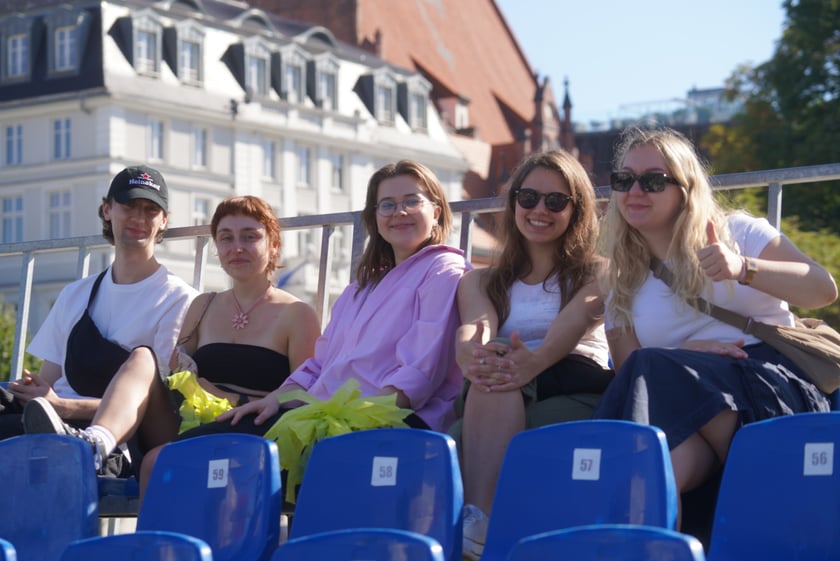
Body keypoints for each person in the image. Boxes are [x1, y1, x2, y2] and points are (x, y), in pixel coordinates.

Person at [139, 160, 470, 486]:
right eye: (387, 204)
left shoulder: (443, 270)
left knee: (170, 464)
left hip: (379, 424)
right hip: (317, 419)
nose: (399, 212)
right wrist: (275, 400)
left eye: (412, 201)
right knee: (167, 461)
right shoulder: (360, 288)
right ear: (375, 216)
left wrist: (358, 420)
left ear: (436, 211)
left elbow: (419, 372)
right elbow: (318, 366)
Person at [593, 126, 838, 531]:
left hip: (769, 385)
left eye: (653, 180)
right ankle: (656, 547)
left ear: (685, 188)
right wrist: (686, 356)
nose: (634, 191)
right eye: (624, 179)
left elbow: (822, 289)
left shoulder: (736, 232)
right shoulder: (621, 279)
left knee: (652, 371)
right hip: (685, 410)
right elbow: (628, 372)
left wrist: (743, 268)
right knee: (651, 469)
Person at [21, 195, 320, 478]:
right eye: (226, 238)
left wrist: (233, 398)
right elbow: (177, 378)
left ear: (273, 246)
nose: (237, 247)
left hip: (255, 425)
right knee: (143, 356)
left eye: (250, 237)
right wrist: (189, 377)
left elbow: (306, 394)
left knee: (159, 461)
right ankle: (97, 443)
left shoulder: (297, 313)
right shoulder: (203, 305)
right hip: (191, 423)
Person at [452, 149, 614, 560]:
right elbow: (477, 324)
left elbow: (571, 325)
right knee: (450, 434)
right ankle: (481, 528)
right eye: (528, 198)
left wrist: (530, 362)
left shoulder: (599, 271)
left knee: (473, 423)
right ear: (513, 204)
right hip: (500, 383)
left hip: (572, 380)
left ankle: (478, 525)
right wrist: (468, 351)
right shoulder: (480, 281)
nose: (540, 210)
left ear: (577, 210)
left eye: (556, 201)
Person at [2, 165, 198, 477]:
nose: (139, 217)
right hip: (53, 420)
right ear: (107, 209)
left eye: (150, 210)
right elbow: (49, 382)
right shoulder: (75, 294)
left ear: (164, 220)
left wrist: (61, 406)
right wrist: (32, 393)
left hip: (118, 441)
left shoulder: (179, 299)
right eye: (129, 205)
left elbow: (156, 406)